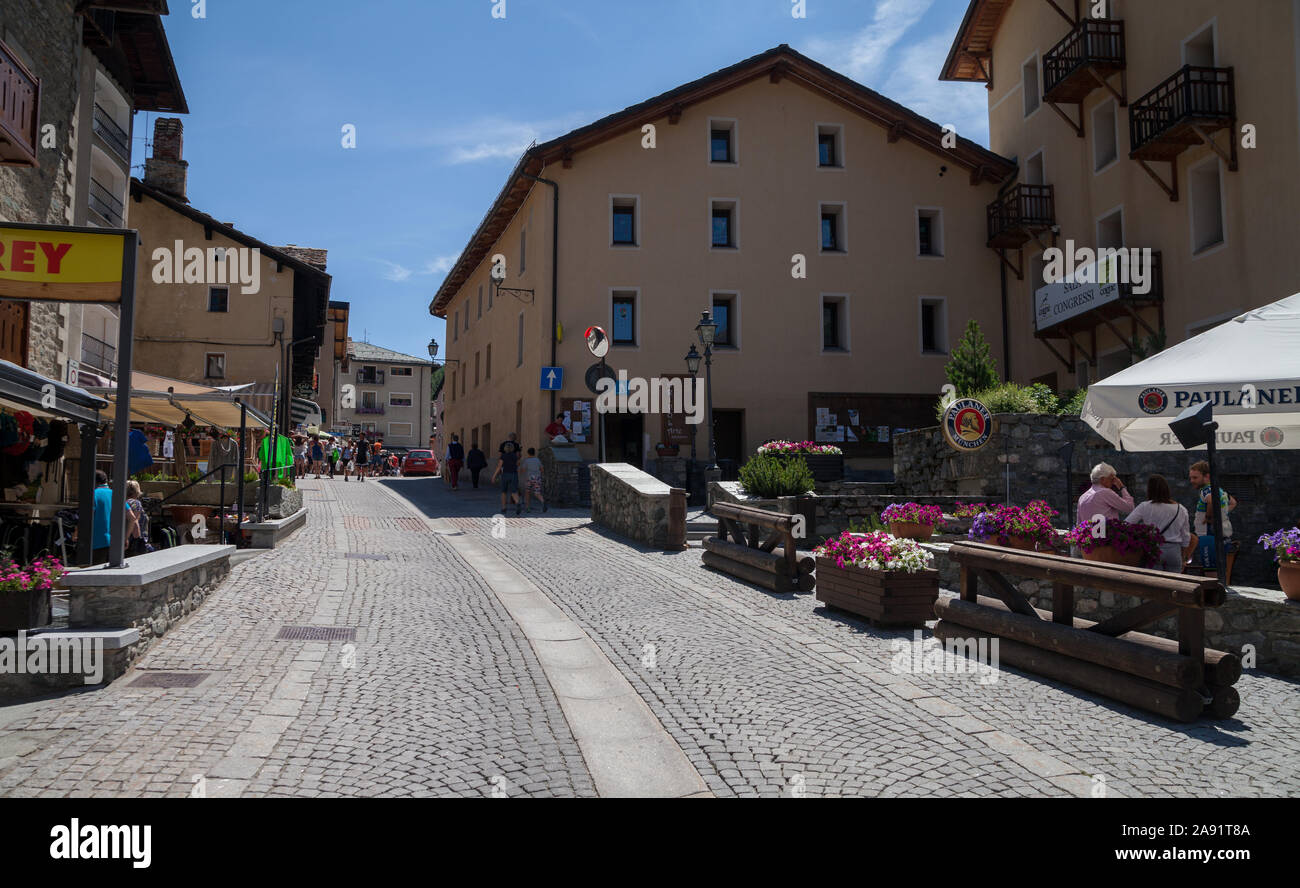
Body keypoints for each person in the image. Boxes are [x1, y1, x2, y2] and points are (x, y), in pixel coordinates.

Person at [1127, 475, 1190, 573]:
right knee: (1175, 584)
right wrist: (1184, 557)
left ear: (1149, 490)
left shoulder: (1144, 506)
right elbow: (1186, 536)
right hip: (1174, 550)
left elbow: (1127, 524)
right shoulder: (1181, 509)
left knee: (1154, 583)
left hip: (1153, 549)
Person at [1186, 460, 1237, 570]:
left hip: (1208, 535)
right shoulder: (1220, 491)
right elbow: (1233, 502)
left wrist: (1209, 517)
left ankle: (1212, 588)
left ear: (1207, 476)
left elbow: (1211, 501)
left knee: (1211, 572)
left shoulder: (1206, 490)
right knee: (1219, 571)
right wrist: (1222, 514)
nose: (1192, 481)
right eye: (1191, 478)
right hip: (1223, 535)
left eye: (1195, 477)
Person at [91, 470, 137, 564]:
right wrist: (125, 538)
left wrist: (76, 533)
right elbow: (132, 518)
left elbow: (86, 518)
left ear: (93, 481)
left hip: (96, 542)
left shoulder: (93, 495)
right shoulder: (117, 495)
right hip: (116, 542)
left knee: (94, 575)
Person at [1076, 462, 1134, 527]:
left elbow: (1079, 525)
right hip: (1107, 535)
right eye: (1112, 479)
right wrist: (1121, 487)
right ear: (1103, 479)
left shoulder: (1082, 497)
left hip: (1089, 536)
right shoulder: (1105, 492)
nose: (1113, 483)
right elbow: (1129, 507)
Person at [492, 436, 521, 514]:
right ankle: (518, 503)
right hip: (514, 474)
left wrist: (494, 476)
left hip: (505, 474)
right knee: (514, 491)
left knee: (504, 492)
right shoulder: (515, 456)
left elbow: (499, 466)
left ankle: (504, 508)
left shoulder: (503, 456)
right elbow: (518, 464)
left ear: (505, 448)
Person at [125, 479, 152, 556]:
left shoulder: (124, 502)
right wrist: (138, 539)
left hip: (123, 538)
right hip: (134, 541)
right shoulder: (136, 503)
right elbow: (134, 521)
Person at [521, 447, 547, 513]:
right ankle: (543, 501)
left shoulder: (526, 460)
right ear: (534, 453)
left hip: (529, 478)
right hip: (537, 478)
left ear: (528, 453)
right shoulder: (537, 460)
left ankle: (527, 508)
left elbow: (523, 470)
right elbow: (542, 469)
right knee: (537, 493)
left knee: (527, 492)